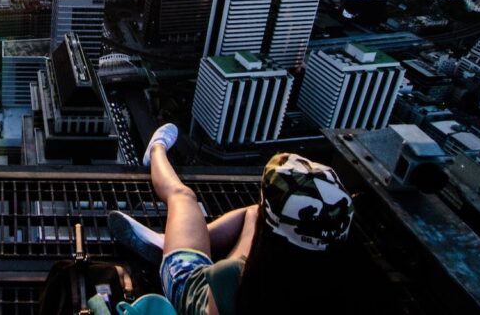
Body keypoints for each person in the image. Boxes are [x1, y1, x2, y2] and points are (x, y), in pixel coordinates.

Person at [108, 124, 354, 314]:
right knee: (255, 213)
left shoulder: (232, 276)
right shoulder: (337, 289)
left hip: (189, 286)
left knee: (182, 196)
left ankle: (156, 150)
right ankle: (172, 239)